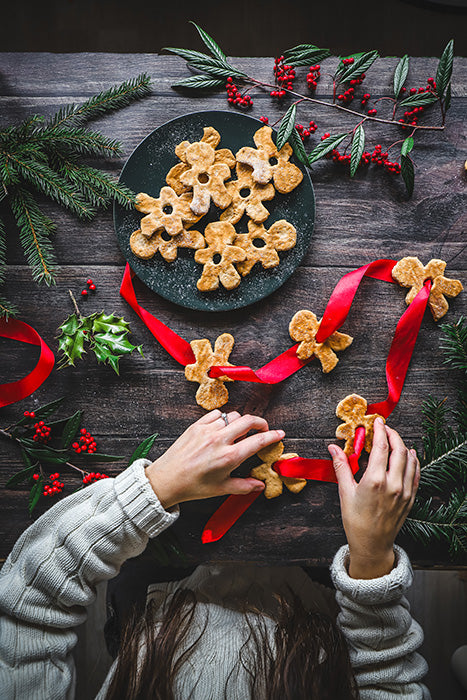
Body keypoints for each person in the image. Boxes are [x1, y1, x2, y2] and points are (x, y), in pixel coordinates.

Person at [0, 410, 429, 699]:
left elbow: (22, 609)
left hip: (156, 603)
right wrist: (372, 561)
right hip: (324, 612)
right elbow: (390, 685)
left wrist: (154, 488)